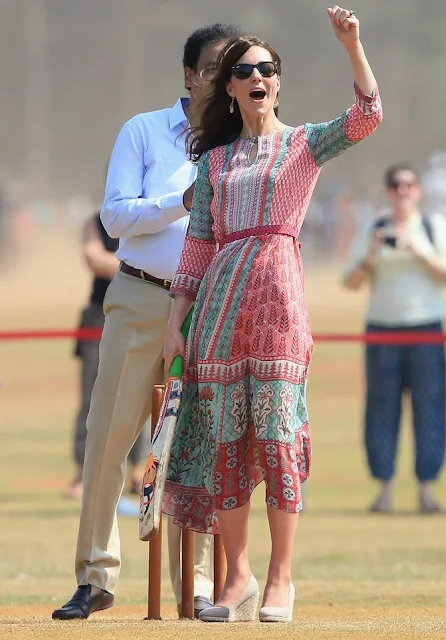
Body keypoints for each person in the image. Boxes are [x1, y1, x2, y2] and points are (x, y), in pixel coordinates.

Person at [162, 6, 382, 623]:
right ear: (230, 88)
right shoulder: (214, 163)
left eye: (267, 68)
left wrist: (352, 46)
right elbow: (199, 242)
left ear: (277, 81)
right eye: (244, 70)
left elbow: (368, 117)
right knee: (226, 443)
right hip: (217, 316)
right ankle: (237, 577)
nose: (257, 77)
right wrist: (176, 322)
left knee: (279, 439)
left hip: (280, 309)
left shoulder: (304, 144)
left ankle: (282, 577)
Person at [52, 22, 243, 621]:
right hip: (139, 297)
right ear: (189, 75)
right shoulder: (144, 131)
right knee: (110, 435)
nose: (230, 77)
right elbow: (114, 216)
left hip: (212, 304)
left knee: (206, 444)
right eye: (217, 66)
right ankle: (95, 576)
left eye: (240, 67)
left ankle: (205, 583)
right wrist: (180, 203)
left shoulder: (247, 141)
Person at [342, 163, 446, 514]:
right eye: (396, 185)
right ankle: (384, 490)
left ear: (418, 191)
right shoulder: (373, 227)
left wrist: (419, 251)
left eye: (409, 184)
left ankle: (426, 489)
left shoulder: (434, 226)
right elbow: (350, 281)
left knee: (430, 408)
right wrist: (370, 256)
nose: (402, 191)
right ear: (388, 191)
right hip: (382, 330)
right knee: (381, 410)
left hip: (427, 328)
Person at [63, 213, 149, 504]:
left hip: (140, 311)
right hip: (99, 315)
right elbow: (94, 259)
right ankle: (83, 473)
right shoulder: (96, 222)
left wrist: (125, 264)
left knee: (142, 396)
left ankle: (138, 472)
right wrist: (137, 265)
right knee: (92, 398)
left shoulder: (151, 218)